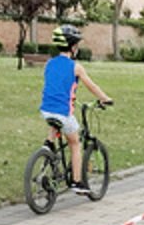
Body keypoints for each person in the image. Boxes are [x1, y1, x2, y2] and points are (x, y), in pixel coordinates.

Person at [39, 24, 113, 194]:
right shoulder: (76, 67)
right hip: (63, 112)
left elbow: (56, 86)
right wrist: (105, 99)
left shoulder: (49, 63)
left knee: (56, 121)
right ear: (73, 47)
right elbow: (92, 86)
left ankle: (48, 144)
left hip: (46, 109)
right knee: (75, 143)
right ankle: (77, 182)